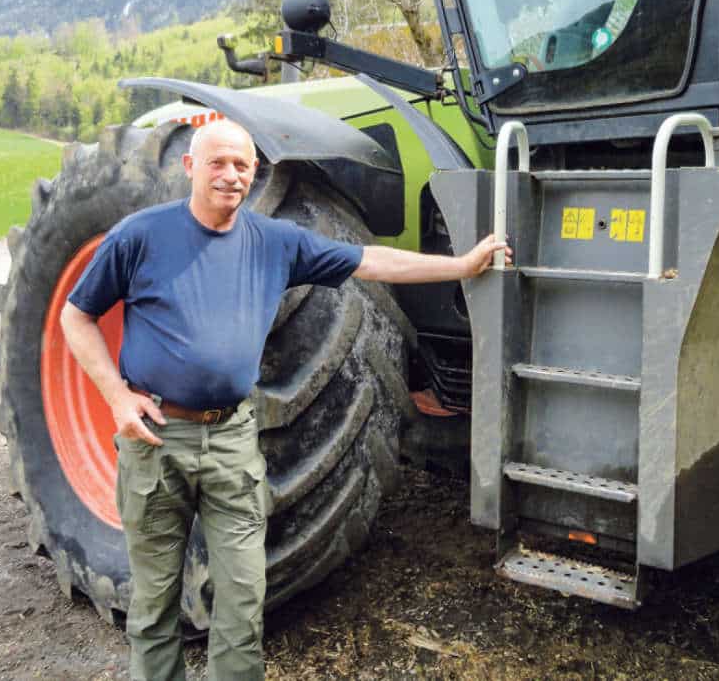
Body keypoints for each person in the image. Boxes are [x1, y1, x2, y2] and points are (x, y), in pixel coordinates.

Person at [60, 117, 508, 681]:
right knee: (154, 603)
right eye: (218, 163)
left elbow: (371, 260)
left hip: (231, 439)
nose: (231, 175)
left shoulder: (274, 242)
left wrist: (461, 266)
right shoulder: (140, 236)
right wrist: (117, 398)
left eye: (242, 165)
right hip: (157, 439)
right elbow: (76, 315)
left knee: (243, 598)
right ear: (190, 167)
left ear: (254, 173)